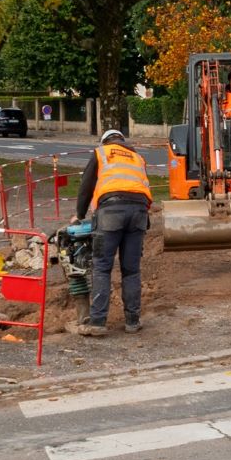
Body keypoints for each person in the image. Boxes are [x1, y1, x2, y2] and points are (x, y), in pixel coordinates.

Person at [72, 129, 152, 336]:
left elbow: (86, 186)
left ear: (105, 141)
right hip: (139, 214)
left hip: (110, 212)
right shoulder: (137, 157)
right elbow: (141, 187)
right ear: (122, 141)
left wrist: (79, 215)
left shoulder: (101, 153)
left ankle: (98, 323)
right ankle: (133, 322)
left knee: (102, 268)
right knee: (131, 270)